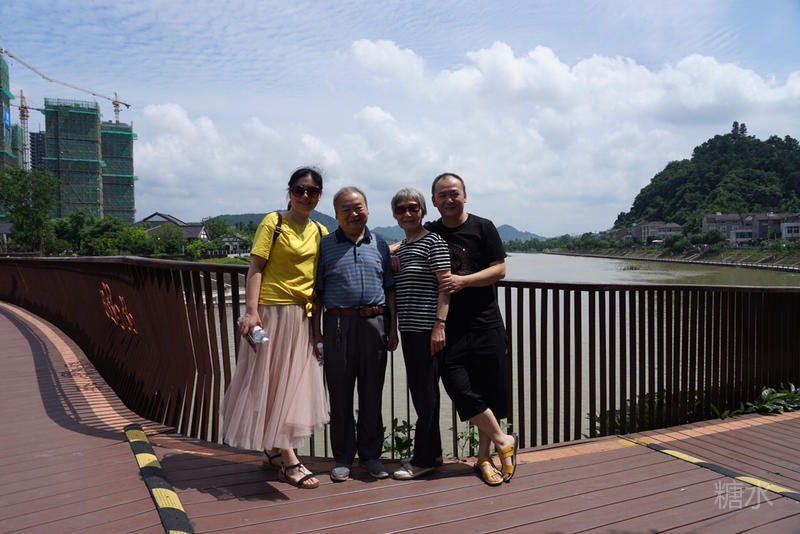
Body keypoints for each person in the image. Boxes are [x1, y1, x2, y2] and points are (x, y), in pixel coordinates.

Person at [222, 167, 329, 489]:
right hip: (271, 314)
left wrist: (391, 251)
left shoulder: (321, 231)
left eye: (312, 191)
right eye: (299, 190)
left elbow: (327, 273)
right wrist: (251, 311)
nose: (306, 196)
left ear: (319, 196)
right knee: (273, 383)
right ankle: (289, 459)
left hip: (302, 315)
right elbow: (256, 266)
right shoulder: (274, 222)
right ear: (290, 192)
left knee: (290, 385)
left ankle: (272, 451)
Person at [426, 172, 518, 486]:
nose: (449, 199)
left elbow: (500, 269)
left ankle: (484, 457)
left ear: (465, 196)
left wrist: (463, 281)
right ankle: (504, 440)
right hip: (449, 327)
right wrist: (391, 253)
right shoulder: (432, 231)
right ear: (434, 201)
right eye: (442, 195)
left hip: (486, 323)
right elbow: (409, 242)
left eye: (454, 193)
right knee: (457, 386)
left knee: (487, 391)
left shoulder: (483, 227)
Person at [314, 186, 398, 482]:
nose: (353, 213)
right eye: (346, 209)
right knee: (340, 394)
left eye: (358, 207)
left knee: (372, 392)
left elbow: (390, 289)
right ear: (336, 215)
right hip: (338, 325)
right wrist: (316, 334)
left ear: (368, 209)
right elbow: (317, 293)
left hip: (375, 323)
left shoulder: (380, 244)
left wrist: (393, 327)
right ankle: (343, 457)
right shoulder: (325, 246)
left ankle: (371, 455)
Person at [389, 188, 451, 480]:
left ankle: (423, 459)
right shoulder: (402, 247)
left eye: (413, 208)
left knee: (425, 395)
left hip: (428, 330)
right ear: (394, 215)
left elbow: (445, 287)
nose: (407, 213)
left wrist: (439, 326)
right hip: (410, 330)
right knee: (421, 392)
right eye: (401, 209)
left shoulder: (433, 242)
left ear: (423, 211)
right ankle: (434, 453)